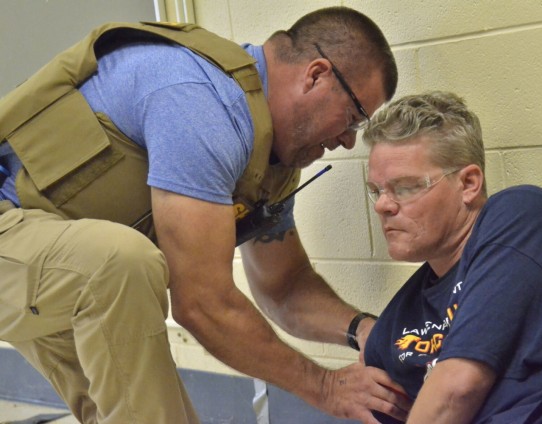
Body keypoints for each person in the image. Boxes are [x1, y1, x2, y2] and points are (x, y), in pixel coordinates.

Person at [0, 7, 411, 423]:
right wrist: (325, 387)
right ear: (316, 75)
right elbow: (201, 303)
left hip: (56, 268)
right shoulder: (200, 102)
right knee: (119, 263)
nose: (346, 141)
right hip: (29, 243)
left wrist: (363, 329)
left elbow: (284, 286)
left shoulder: (271, 156)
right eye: (354, 117)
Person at [361, 91, 542, 423]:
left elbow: (457, 388)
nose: (382, 205)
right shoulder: (394, 326)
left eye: (405, 187)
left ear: (468, 184)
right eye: (376, 191)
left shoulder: (520, 217)